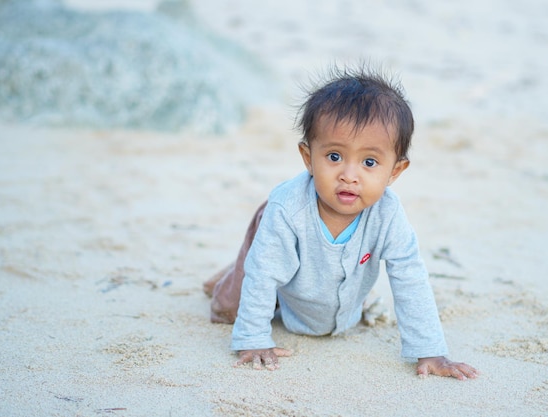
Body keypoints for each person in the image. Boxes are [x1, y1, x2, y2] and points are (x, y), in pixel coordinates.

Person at [204, 65, 478, 380]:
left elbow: (410, 277)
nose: (349, 175)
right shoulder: (287, 209)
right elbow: (263, 276)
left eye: (369, 162)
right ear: (308, 157)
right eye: (334, 156)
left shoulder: (387, 214)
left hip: (318, 284)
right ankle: (232, 273)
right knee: (230, 305)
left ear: (395, 171)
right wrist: (253, 339)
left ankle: (241, 265)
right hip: (276, 235)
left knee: (285, 267)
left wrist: (431, 351)